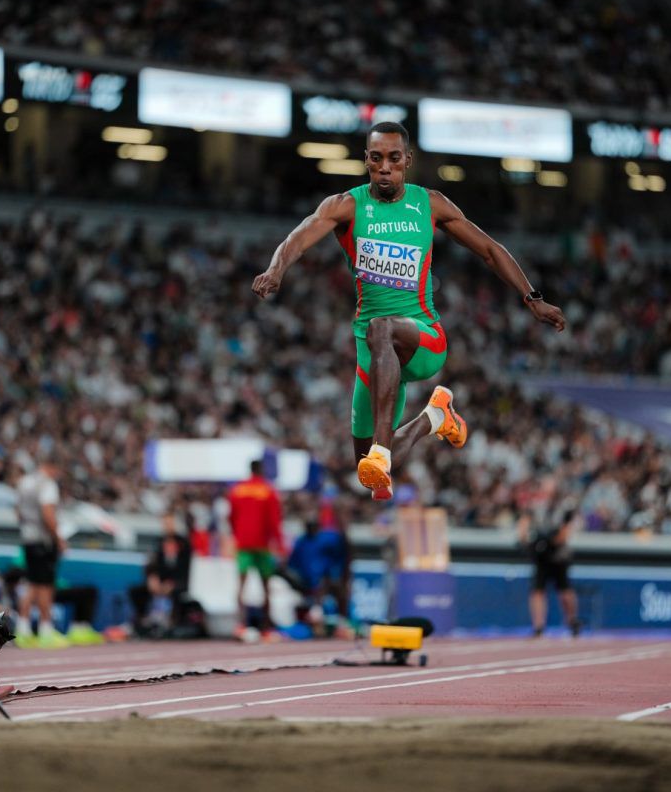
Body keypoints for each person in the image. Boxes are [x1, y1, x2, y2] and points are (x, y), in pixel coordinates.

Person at [252, 121, 568, 500]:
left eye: (394, 158)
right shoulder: (347, 206)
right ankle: (433, 418)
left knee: (382, 328)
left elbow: (489, 249)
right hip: (374, 354)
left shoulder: (428, 204)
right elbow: (299, 237)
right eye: (376, 158)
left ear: (408, 160)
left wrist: (533, 298)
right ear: (366, 160)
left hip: (423, 339)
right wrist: (276, 269)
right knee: (367, 471)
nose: (385, 167)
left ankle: (385, 448)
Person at [14, 458, 68, 648]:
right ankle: (46, 630)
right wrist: (58, 538)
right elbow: (48, 513)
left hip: (28, 538)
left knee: (32, 583)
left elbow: (18, 512)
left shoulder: (25, 482)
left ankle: (23, 629)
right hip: (43, 541)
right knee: (45, 585)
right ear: (51, 467)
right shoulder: (47, 485)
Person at [227, 459, 284, 637]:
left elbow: (231, 517)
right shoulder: (268, 490)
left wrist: (237, 535)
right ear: (261, 470)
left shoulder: (237, 490)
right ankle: (266, 627)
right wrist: (279, 544)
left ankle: (240, 625)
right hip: (262, 544)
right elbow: (274, 520)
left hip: (243, 543)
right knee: (265, 586)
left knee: (241, 585)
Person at [129, 511, 193, 636]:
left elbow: (187, 568)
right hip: (161, 581)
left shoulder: (185, 543)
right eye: (165, 523)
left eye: (170, 523)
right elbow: (151, 563)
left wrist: (172, 584)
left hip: (178, 582)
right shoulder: (158, 542)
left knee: (177, 594)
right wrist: (153, 578)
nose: (168, 526)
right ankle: (143, 622)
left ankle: (173, 624)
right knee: (136, 591)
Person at [518, 510, 580, 637]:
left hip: (557, 558)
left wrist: (553, 541)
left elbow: (562, 535)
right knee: (537, 592)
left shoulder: (558, 510)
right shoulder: (532, 512)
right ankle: (538, 627)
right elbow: (523, 536)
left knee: (565, 591)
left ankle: (572, 621)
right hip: (541, 557)